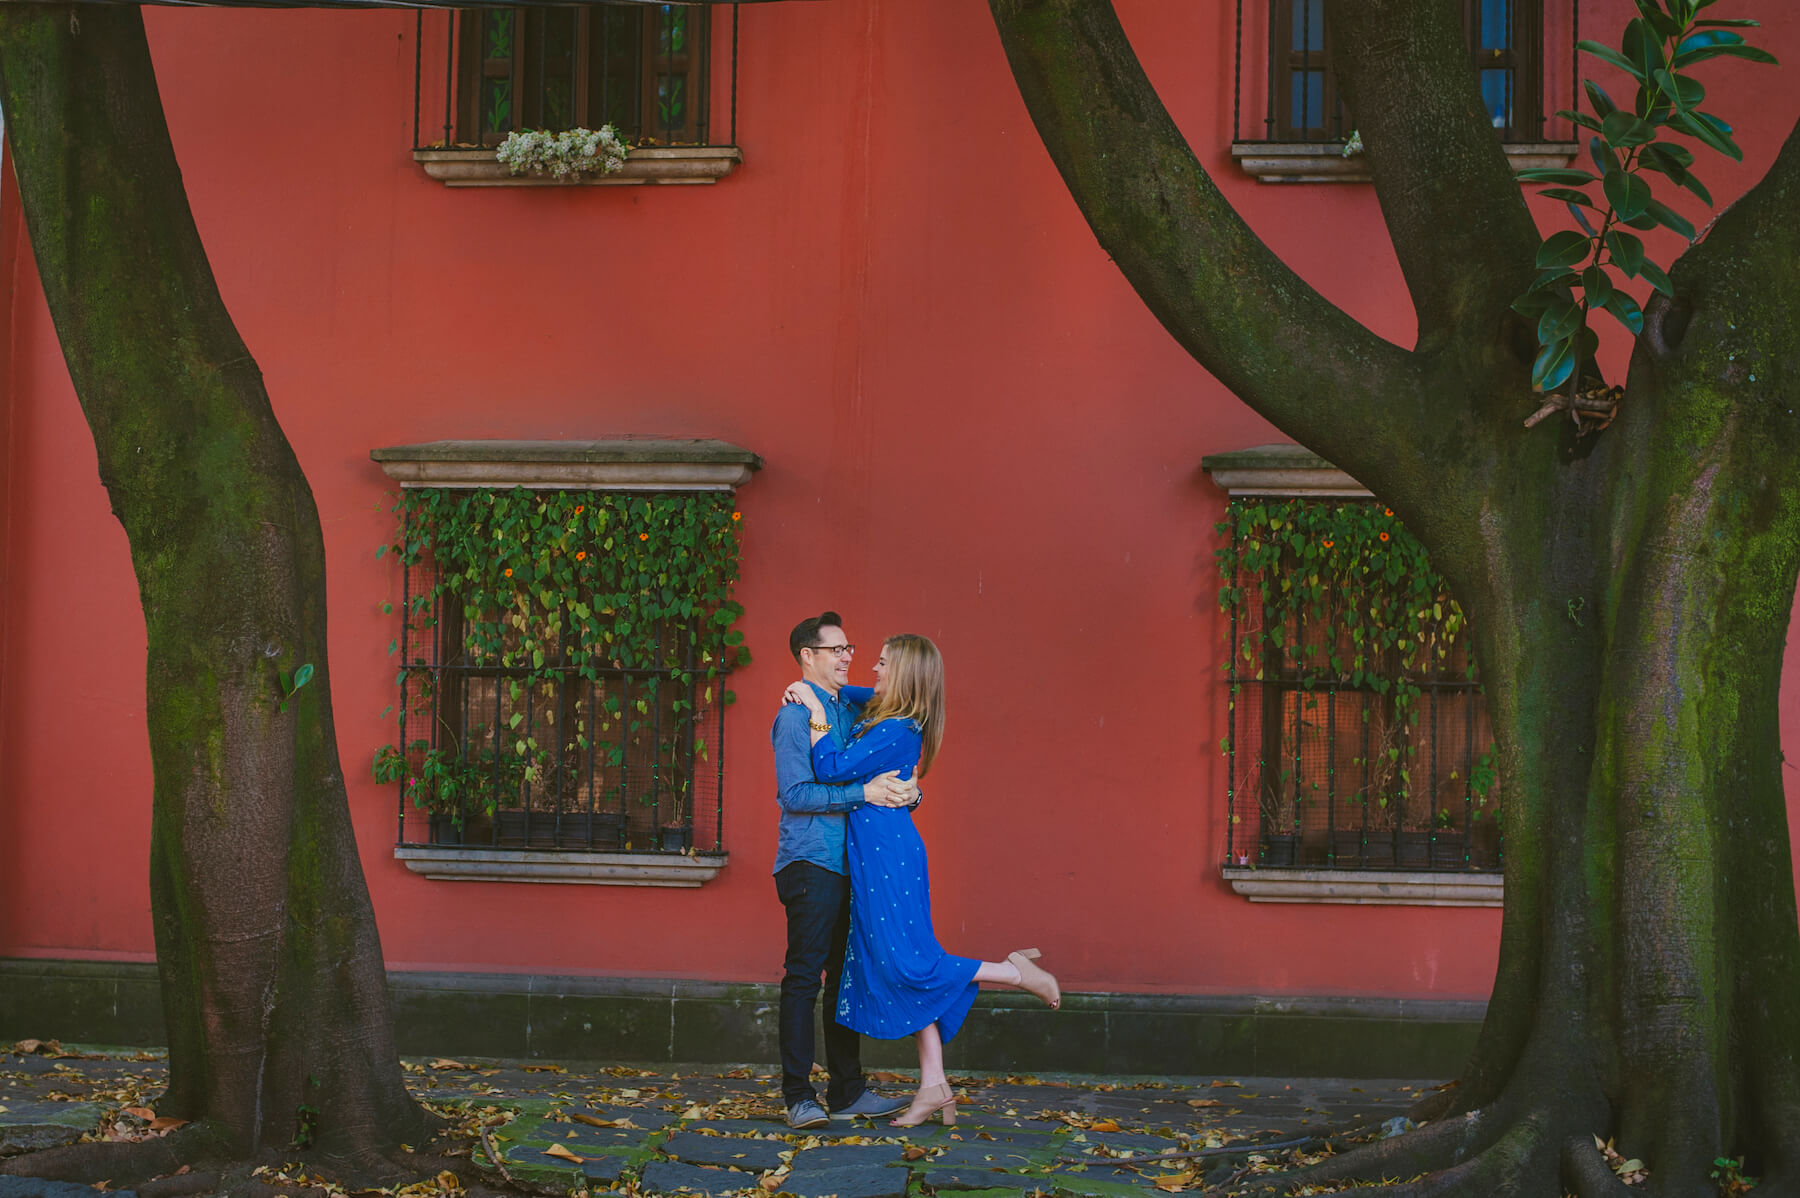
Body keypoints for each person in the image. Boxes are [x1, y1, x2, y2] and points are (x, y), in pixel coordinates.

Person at [783, 633, 1060, 1129]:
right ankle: (934, 1085)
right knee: (898, 962)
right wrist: (811, 688)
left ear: (905, 675)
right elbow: (850, 695)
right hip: (874, 855)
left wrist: (815, 711)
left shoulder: (898, 729)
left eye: (883, 663)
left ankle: (1014, 972)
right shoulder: (888, 713)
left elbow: (827, 767)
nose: (871, 667)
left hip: (888, 857)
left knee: (908, 963)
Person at [771, 611, 917, 1129]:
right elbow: (795, 794)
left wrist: (908, 790)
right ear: (807, 656)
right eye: (836, 650)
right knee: (805, 978)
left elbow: (886, 760)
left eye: (849, 648)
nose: (847, 656)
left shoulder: (850, 712)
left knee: (844, 979)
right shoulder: (793, 717)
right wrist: (864, 792)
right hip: (810, 862)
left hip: (850, 865)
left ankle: (848, 1091)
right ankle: (798, 1097)